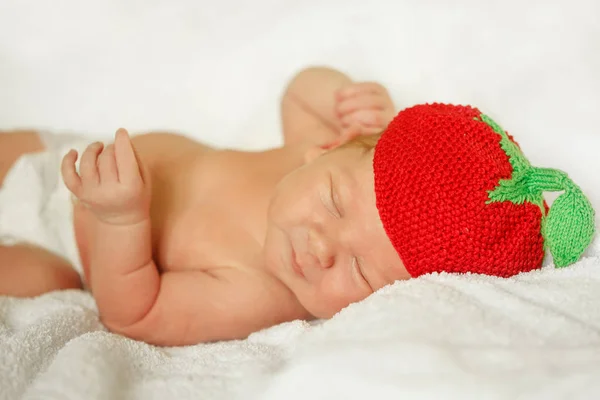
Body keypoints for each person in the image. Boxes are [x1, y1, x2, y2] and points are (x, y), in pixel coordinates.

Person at [0, 67, 595, 346]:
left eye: (359, 271)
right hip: (71, 158)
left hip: (63, 240)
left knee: (36, 276)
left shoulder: (263, 291)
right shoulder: (301, 153)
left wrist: (121, 219)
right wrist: (349, 98)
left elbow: (134, 314)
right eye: (335, 202)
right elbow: (299, 88)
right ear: (329, 147)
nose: (320, 245)